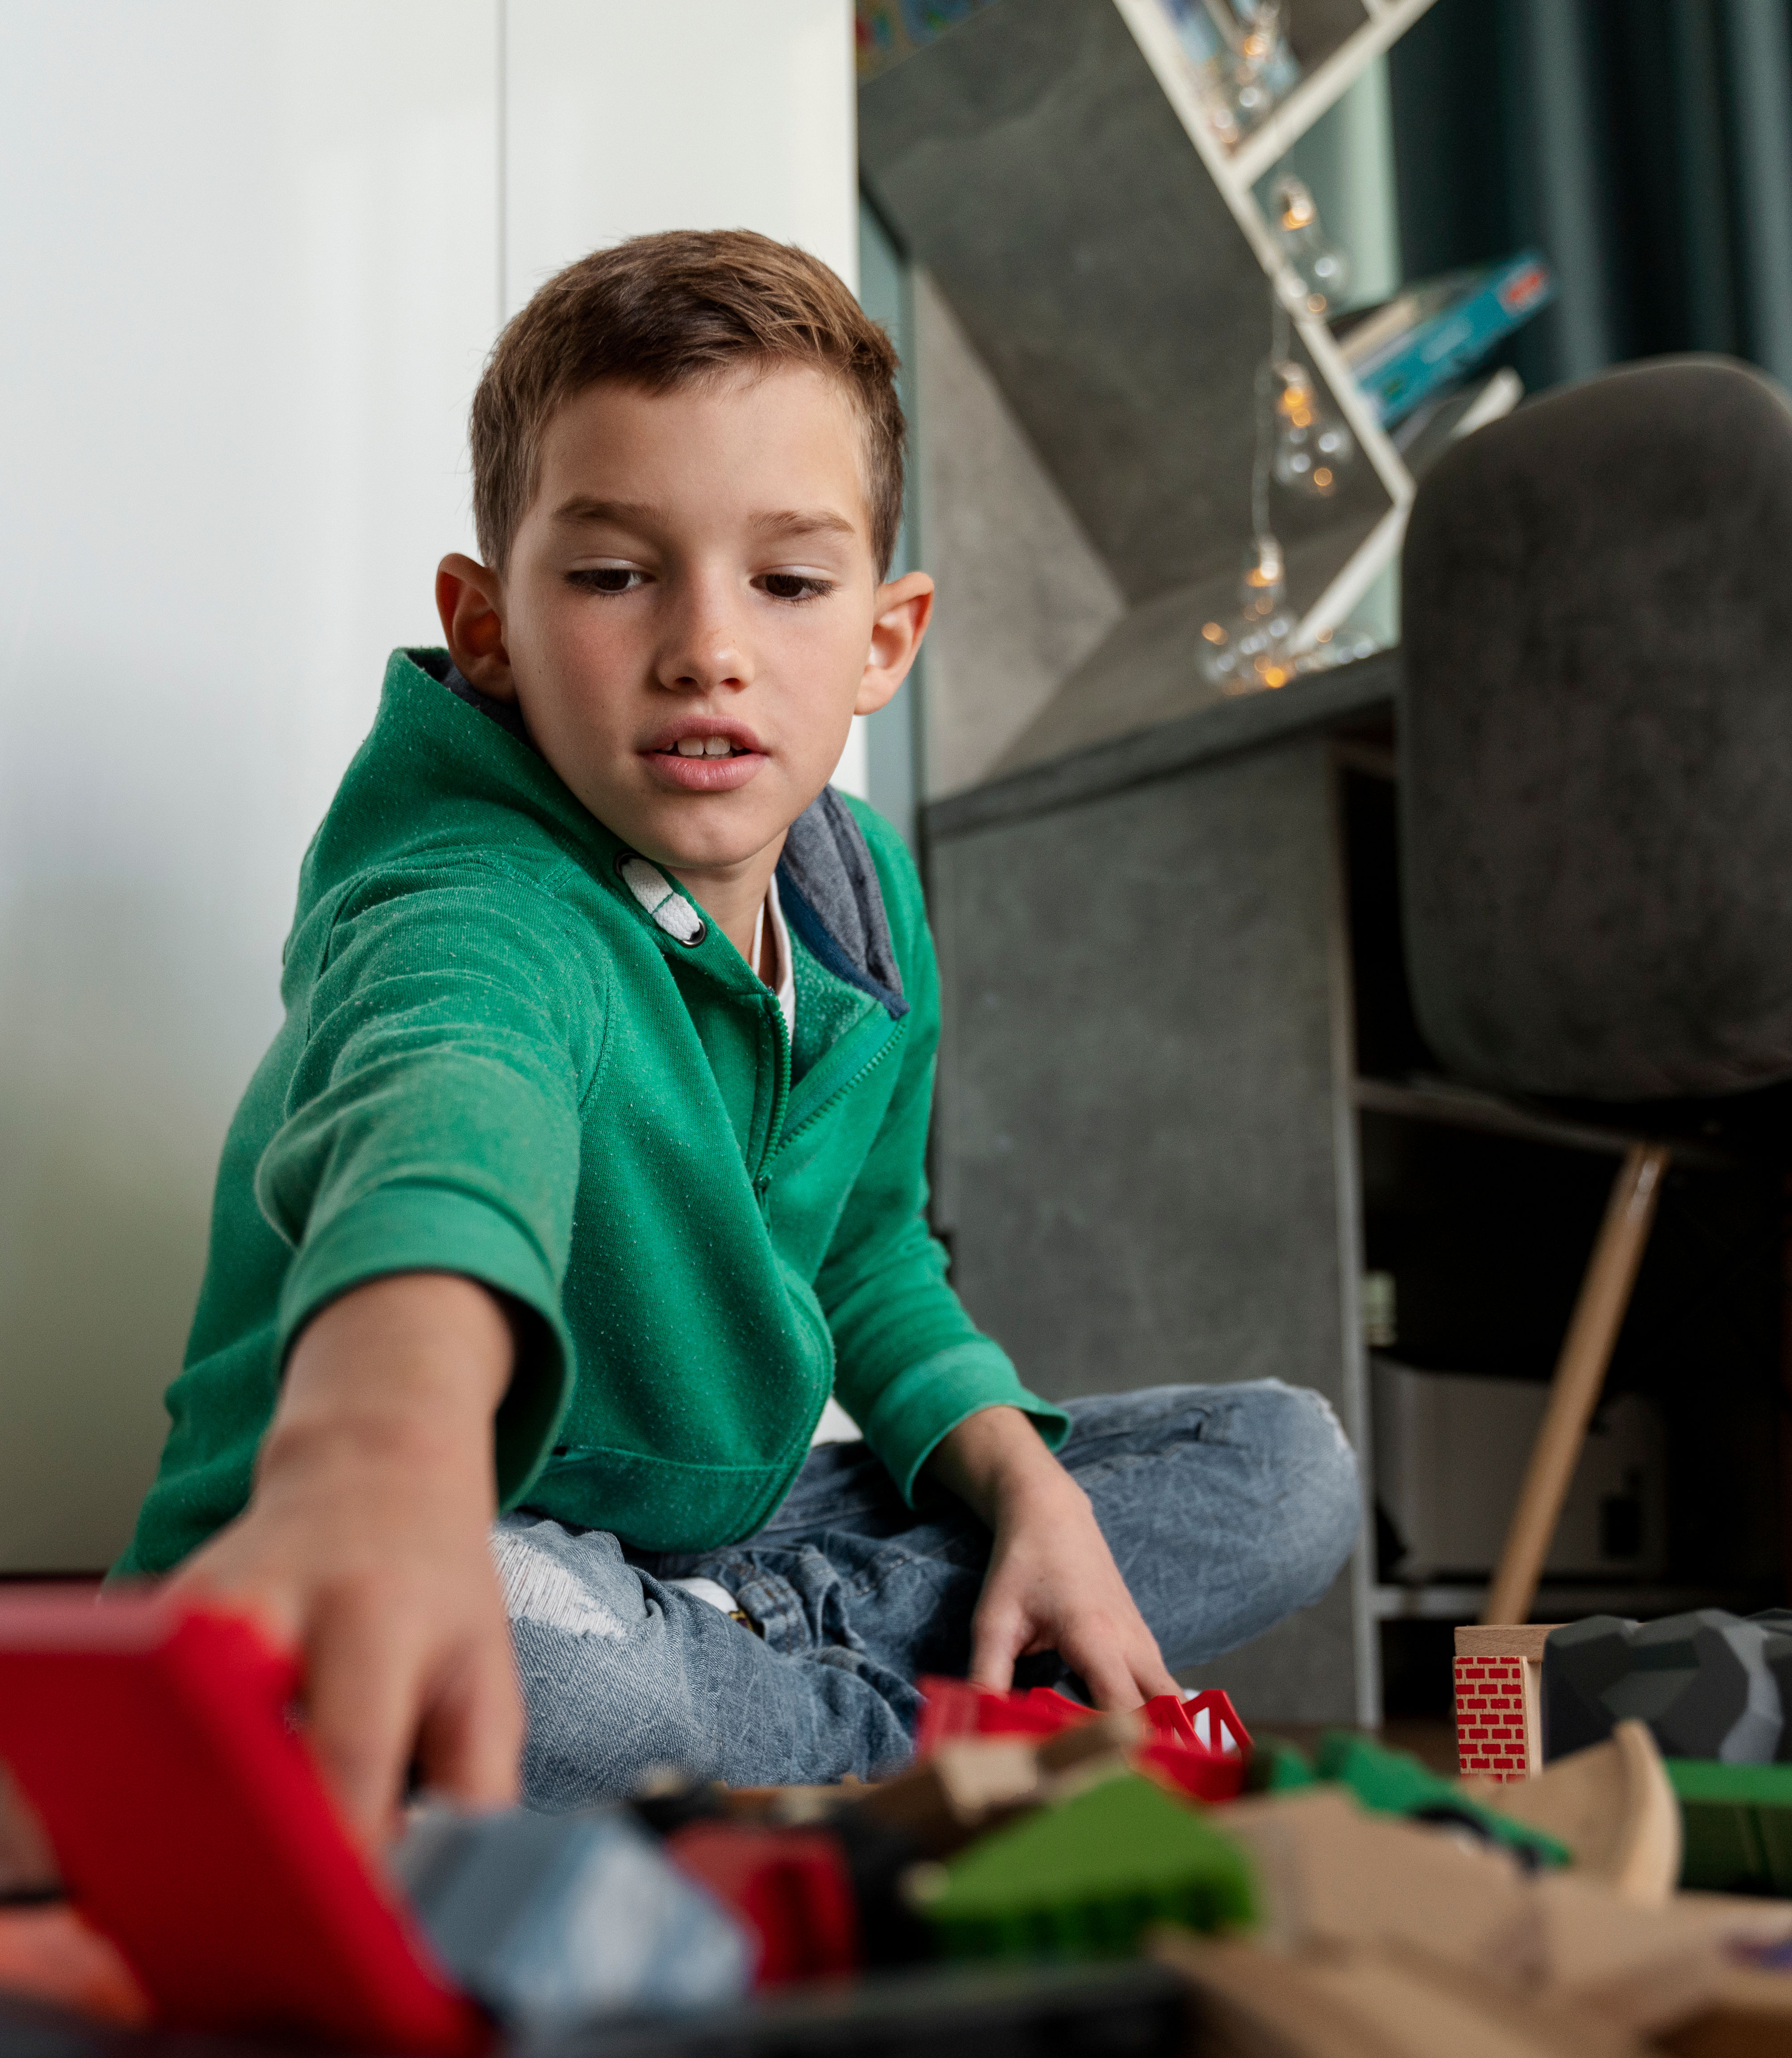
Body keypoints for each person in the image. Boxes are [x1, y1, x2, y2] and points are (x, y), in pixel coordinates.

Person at [116, 229, 1357, 1841]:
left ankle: (784, 1689)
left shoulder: (865, 904)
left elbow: (871, 1257)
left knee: (1288, 1465)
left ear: (883, 641)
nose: (709, 645)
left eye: (785, 582)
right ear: (487, 626)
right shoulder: (471, 904)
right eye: (618, 574)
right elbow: (445, 1130)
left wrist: (1025, 1491)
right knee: (527, 1647)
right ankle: (910, 1736)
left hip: (716, 1547)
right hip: (422, 1537)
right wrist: (381, 1440)